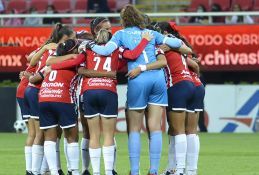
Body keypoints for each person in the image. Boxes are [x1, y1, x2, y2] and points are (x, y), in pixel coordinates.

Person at [88, 5, 191, 175]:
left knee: (135, 128)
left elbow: (106, 50)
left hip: (138, 79)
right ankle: (153, 171)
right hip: (157, 78)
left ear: (124, 20)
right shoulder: (150, 33)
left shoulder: (121, 34)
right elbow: (175, 43)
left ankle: (135, 171)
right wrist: (174, 42)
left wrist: (90, 47)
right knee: (155, 127)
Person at [51, 29, 152, 175]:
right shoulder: (117, 49)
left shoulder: (87, 49)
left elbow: (78, 66)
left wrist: (51, 67)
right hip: (108, 91)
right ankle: (109, 172)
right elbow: (133, 55)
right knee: (109, 135)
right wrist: (145, 41)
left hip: (89, 91)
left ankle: (96, 172)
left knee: (94, 135)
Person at [25, 24, 75, 175]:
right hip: (39, 90)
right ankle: (37, 170)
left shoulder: (49, 47)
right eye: (71, 39)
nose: (74, 42)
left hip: (37, 91)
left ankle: (46, 169)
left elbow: (31, 60)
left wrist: (43, 49)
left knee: (48, 133)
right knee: (44, 134)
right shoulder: (57, 51)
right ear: (64, 39)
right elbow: (42, 68)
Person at [155, 21, 196, 175]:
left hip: (177, 85)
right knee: (188, 131)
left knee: (177, 130)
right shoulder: (178, 43)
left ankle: (178, 170)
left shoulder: (162, 45)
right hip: (192, 84)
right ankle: (189, 170)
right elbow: (193, 60)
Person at [38, 39, 81, 175]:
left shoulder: (51, 62)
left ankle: (53, 172)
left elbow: (48, 63)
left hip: (44, 98)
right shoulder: (74, 62)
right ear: (72, 51)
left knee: (50, 138)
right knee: (72, 137)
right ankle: (74, 171)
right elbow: (76, 61)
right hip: (62, 98)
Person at [17, 51, 39, 175]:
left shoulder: (41, 53)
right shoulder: (49, 54)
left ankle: (30, 169)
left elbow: (29, 57)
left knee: (32, 133)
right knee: (38, 134)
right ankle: (36, 170)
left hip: (22, 90)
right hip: (30, 91)